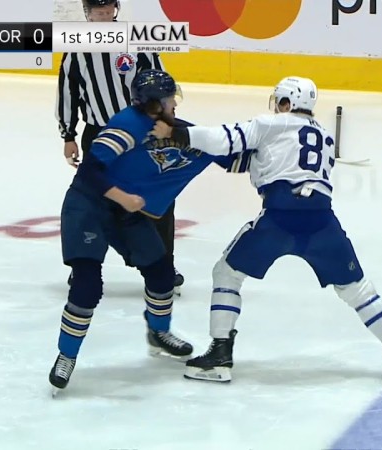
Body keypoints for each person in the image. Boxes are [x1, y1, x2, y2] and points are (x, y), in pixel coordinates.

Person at [150, 76, 382, 383]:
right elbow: (270, 162)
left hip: (280, 216)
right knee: (355, 286)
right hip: (322, 220)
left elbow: (220, 140)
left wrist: (175, 131)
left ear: (286, 103)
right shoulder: (325, 137)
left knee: (226, 273)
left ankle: (220, 354)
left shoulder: (270, 125)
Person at [49, 69, 242, 394]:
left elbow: (231, 156)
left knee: (161, 272)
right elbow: (91, 172)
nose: (174, 104)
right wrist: (124, 197)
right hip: (89, 207)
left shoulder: (180, 131)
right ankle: (66, 356)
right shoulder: (127, 125)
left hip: (126, 213)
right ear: (154, 103)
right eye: (169, 99)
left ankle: (158, 332)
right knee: (86, 286)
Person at [56, 0, 184, 292]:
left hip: (141, 133)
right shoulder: (77, 48)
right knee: (93, 203)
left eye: (108, 9)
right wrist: (67, 135)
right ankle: (84, 267)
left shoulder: (137, 40)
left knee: (159, 198)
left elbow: (162, 83)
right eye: (98, 11)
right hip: (99, 134)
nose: (104, 15)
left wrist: (165, 122)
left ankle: (164, 265)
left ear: (116, 8)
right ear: (87, 13)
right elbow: (67, 93)